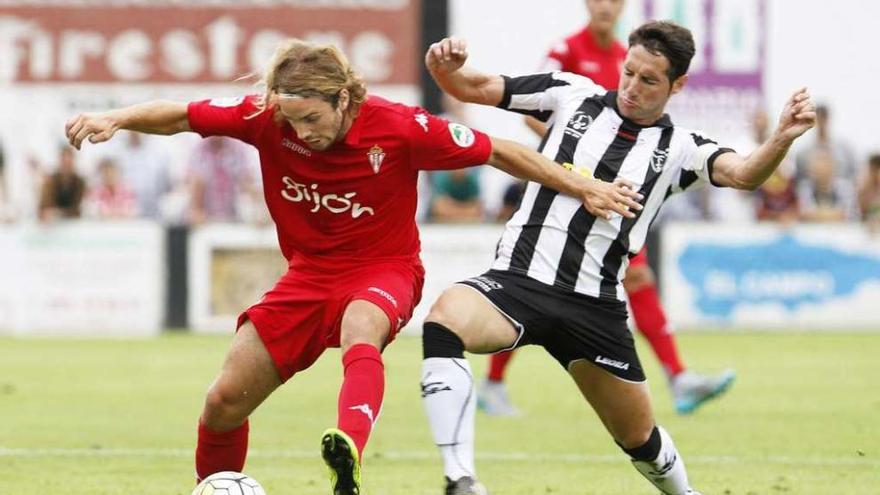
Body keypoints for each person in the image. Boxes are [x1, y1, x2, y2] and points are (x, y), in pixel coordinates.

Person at [64, 38, 640, 495]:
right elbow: (183, 116)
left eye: (311, 118)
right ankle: (210, 488)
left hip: (384, 268)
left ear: (343, 100)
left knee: (360, 326)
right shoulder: (268, 117)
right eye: (291, 121)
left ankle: (349, 453)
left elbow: (500, 151)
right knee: (223, 401)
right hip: (307, 275)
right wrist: (117, 117)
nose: (299, 133)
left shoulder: (399, 127)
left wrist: (584, 187)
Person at [421, 23, 815, 495]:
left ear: (678, 85)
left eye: (649, 81)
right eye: (628, 72)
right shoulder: (570, 93)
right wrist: (444, 71)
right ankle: (460, 478)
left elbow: (745, 174)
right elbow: (474, 87)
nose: (631, 87)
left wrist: (782, 138)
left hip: (594, 308)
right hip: (517, 283)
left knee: (638, 439)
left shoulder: (682, 149)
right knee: (444, 319)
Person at [481, 0, 734, 418]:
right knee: (529, 280)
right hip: (567, 187)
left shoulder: (627, 56)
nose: (604, 6)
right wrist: (583, 158)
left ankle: (678, 377)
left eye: (613, 0)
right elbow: (536, 110)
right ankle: (492, 383)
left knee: (636, 274)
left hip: (613, 195)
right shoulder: (566, 51)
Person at [38, 146, 86, 221]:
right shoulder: (50, 181)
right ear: (60, 161)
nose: (66, 164)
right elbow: (44, 209)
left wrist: (57, 212)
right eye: (64, 161)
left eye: (69, 161)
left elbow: (79, 209)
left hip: (74, 224)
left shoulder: (80, 182)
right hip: (54, 225)